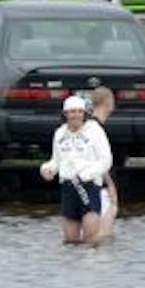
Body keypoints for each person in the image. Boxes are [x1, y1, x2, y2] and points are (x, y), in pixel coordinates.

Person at [41, 94, 113, 245]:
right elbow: (56, 160)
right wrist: (48, 169)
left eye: (79, 112)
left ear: (84, 113)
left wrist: (87, 174)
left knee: (90, 238)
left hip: (89, 186)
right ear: (65, 114)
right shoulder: (59, 133)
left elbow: (106, 160)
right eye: (72, 112)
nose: (76, 116)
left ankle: (93, 263)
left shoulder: (95, 131)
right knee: (70, 239)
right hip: (68, 187)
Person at [88, 86, 120, 241]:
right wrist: (111, 186)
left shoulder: (87, 126)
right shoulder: (96, 128)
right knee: (103, 234)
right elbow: (98, 161)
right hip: (99, 187)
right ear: (108, 102)